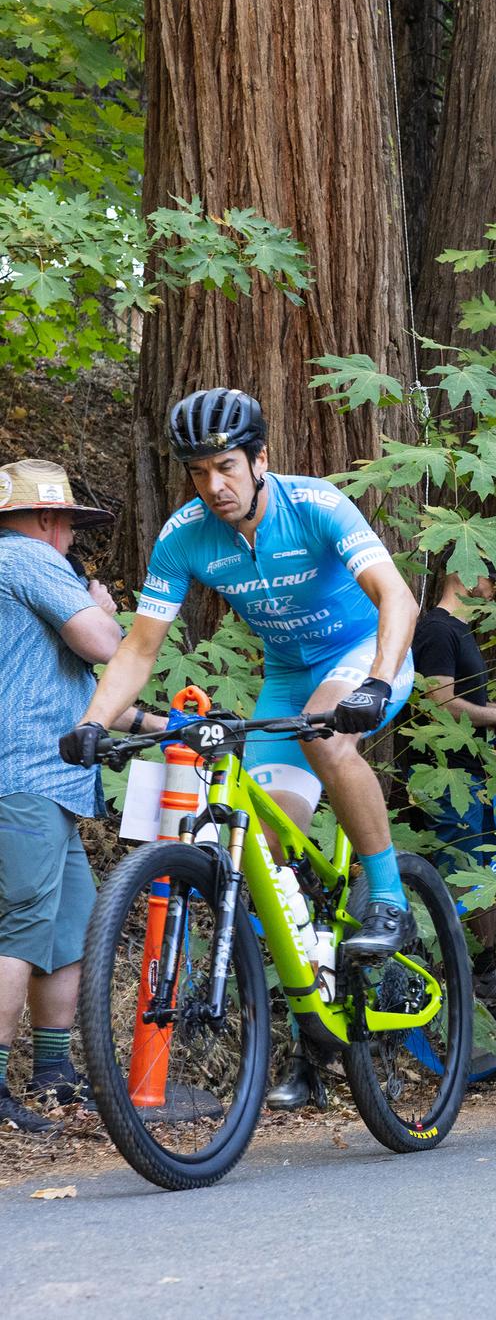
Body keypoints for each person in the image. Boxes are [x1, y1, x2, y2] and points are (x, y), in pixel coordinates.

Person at [63, 390, 421, 959]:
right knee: (266, 843)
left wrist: (376, 680)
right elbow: (138, 649)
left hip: (363, 650)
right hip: (287, 673)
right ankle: (317, 978)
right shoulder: (184, 536)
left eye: (226, 466)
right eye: (198, 472)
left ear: (260, 460)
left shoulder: (315, 505)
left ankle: (389, 901)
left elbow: (396, 597)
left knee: (323, 739)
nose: (213, 486)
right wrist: (93, 722)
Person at [0, 461, 161, 1134]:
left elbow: (91, 695)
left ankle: (55, 1075)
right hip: (24, 775)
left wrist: (162, 724)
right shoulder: (27, 558)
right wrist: (100, 609)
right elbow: (101, 645)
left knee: (69, 928)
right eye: (67, 521)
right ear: (47, 519)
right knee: (20, 925)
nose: (70, 533)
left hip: (51, 783)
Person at [402, 566, 496, 1002]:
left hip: (472, 774)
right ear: (464, 572)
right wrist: (495, 716)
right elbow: (437, 703)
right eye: (493, 580)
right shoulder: (438, 630)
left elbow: (466, 702)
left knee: (483, 873)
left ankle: (485, 976)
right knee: (459, 874)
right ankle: (452, 989)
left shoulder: (460, 631)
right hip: (445, 775)